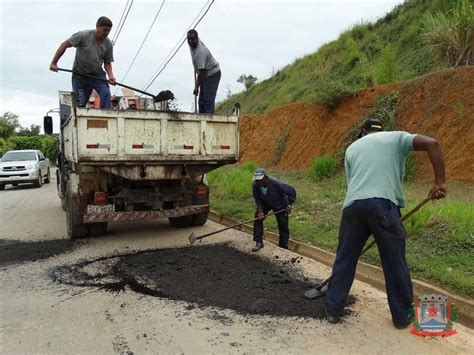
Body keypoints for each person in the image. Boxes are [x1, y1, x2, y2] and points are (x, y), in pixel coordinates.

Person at [324, 118, 446, 328]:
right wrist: (440, 182)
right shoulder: (395, 137)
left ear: (363, 131)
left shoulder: (352, 148)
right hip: (382, 205)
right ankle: (402, 317)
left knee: (345, 259)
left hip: (353, 206)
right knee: (394, 261)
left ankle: (333, 310)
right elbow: (432, 143)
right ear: (382, 130)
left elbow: (353, 183)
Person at [49, 16, 116, 109]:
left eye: (109, 30)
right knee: (80, 103)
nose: (106, 33)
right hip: (80, 75)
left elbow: (107, 62)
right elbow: (64, 45)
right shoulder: (83, 35)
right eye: (104, 29)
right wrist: (54, 63)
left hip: (97, 75)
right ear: (97, 26)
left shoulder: (108, 44)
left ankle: (106, 117)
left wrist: (111, 76)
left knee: (106, 93)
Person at [252, 168, 296, 252]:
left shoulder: (276, 183)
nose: (259, 182)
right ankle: (258, 241)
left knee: (283, 223)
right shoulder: (255, 185)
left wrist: (289, 205)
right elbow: (257, 199)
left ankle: (283, 246)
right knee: (257, 217)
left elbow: (291, 191)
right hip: (265, 203)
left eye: (260, 180)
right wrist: (261, 211)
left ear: (265, 177)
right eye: (257, 180)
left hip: (280, 204)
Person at [187, 29, 221, 114]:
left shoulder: (200, 52)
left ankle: (209, 123)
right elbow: (201, 71)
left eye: (193, 39)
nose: (190, 41)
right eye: (189, 39)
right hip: (204, 74)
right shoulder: (192, 45)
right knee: (201, 102)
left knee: (208, 101)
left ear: (197, 39)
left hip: (212, 74)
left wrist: (196, 87)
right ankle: (201, 123)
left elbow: (202, 72)